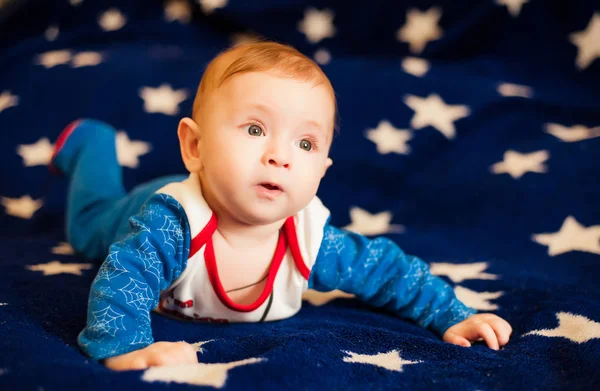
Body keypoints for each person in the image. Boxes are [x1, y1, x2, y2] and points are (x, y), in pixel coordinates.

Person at [50, 41, 512, 371]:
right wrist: (124, 347)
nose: (280, 155)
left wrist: (453, 314)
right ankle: (93, 143)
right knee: (88, 229)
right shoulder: (171, 223)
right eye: (255, 129)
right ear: (195, 146)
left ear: (323, 170)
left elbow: (389, 271)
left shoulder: (309, 240)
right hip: (148, 201)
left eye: (306, 142)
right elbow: (124, 278)